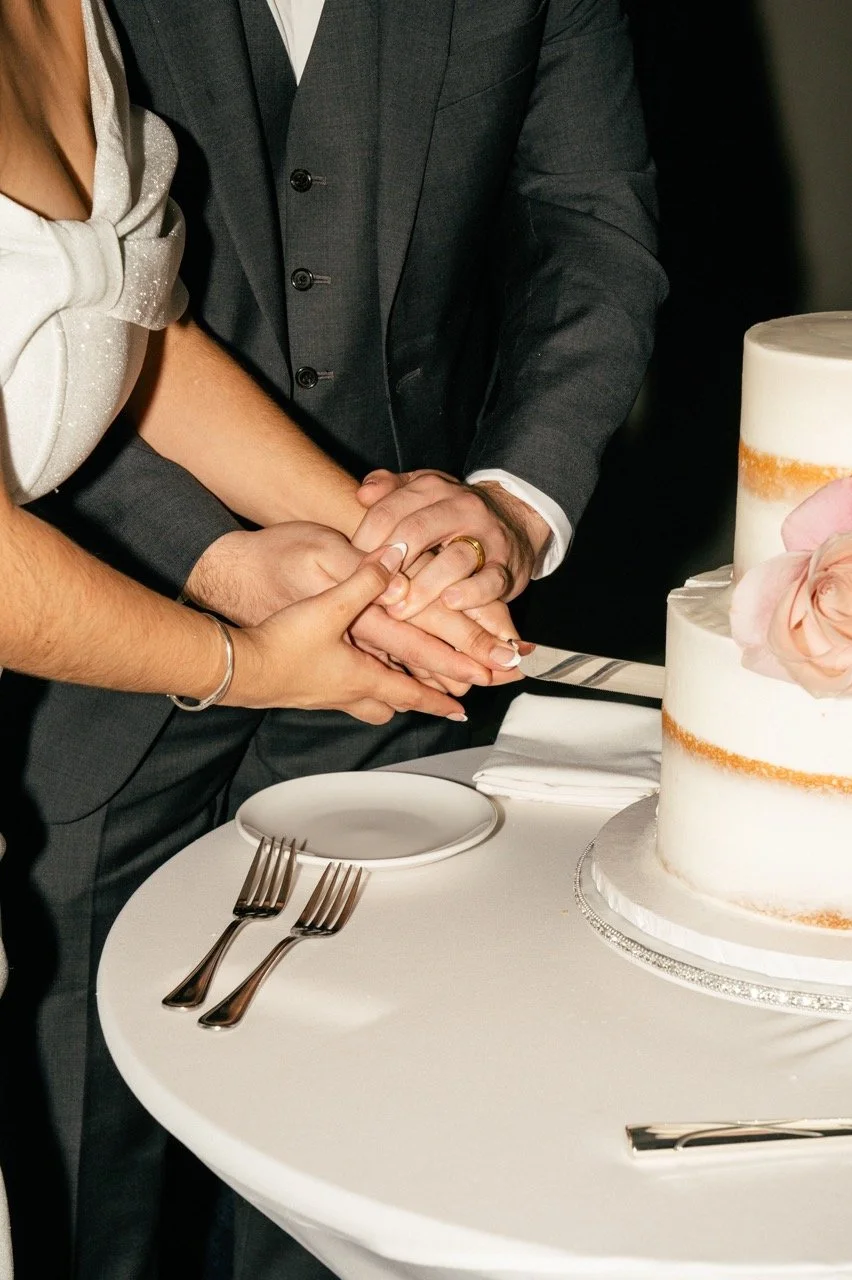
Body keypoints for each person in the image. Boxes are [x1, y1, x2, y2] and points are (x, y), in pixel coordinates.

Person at [0, 1, 667, 1278]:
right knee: (71, 1179)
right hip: (80, 649)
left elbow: (138, 319)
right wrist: (227, 615)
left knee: (346, 1130)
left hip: (386, 656)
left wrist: (467, 530)